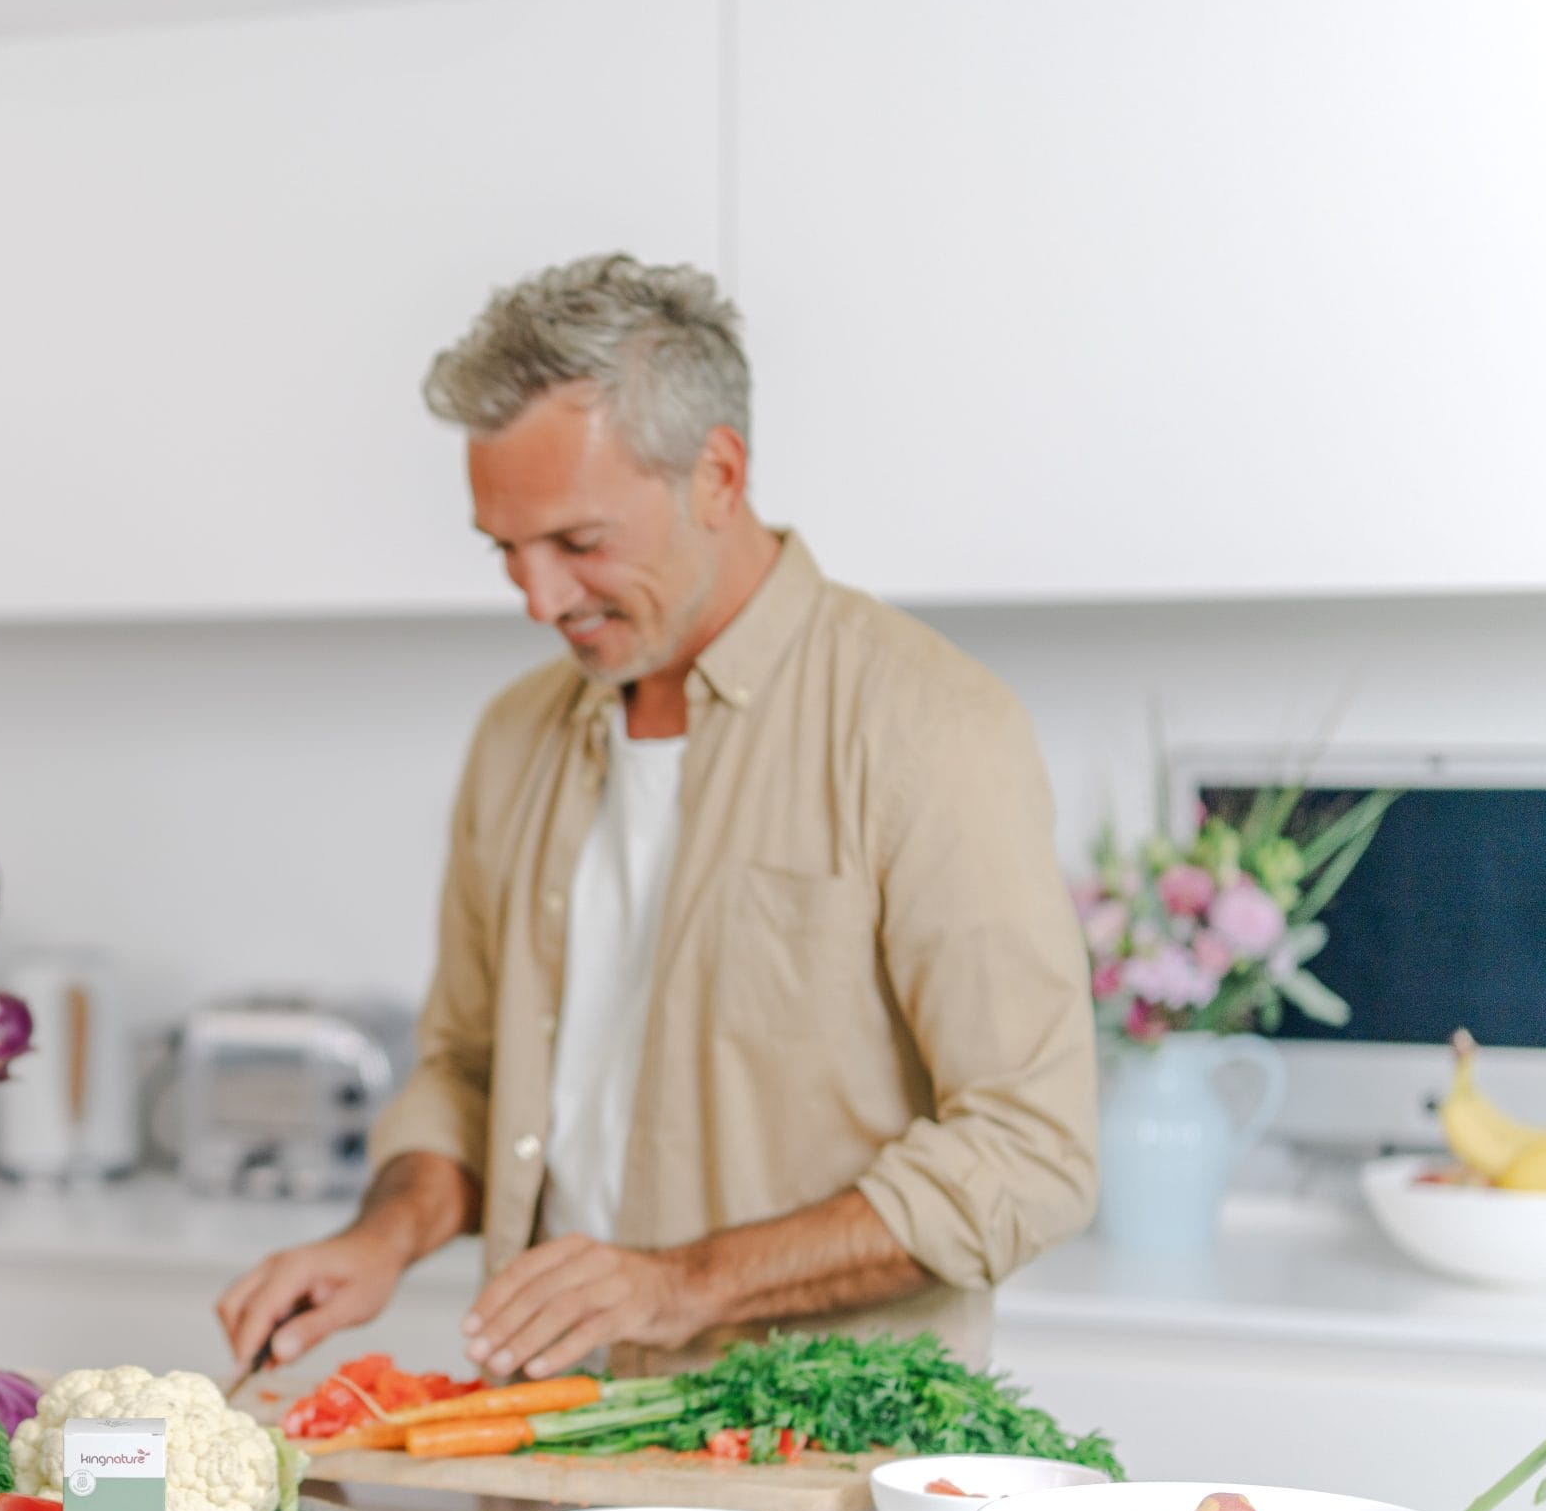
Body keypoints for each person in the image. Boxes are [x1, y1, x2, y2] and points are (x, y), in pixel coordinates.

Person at [220, 254, 1096, 1384]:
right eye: (506, 550)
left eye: (578, 543)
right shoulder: (516, 736)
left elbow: (1031, 1150)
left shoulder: (927, 726)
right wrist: (380, 1237)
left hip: (813, 1471)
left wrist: (684, 1284)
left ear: (717, 476)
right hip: (544, 1435)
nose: (537, 599)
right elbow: (468, 1069)